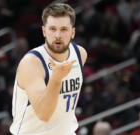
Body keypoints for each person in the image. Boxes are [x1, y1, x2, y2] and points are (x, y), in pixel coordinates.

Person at [10, 3, 87, 135]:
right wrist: (56, 79)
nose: (58, 35)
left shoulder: (80, 54)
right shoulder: (32, 63)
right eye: (52, 29)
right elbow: (44, 114)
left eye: (64, 29)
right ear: (44, 31)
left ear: (72, 32)